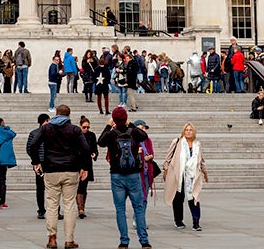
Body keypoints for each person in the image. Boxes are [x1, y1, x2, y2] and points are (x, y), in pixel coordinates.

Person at [35, 103, 90, 248]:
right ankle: (69, 239)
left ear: (56, 114)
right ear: (69, 116)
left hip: (51, 169)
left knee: (52, 205)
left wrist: (36, 162)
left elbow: (34, 144)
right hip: (70, 169)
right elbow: (85, 148)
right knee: (69, 204)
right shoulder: (74, 129)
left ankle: (52, 238)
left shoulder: (46, 128)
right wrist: (84, 167)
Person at [101, 106, 153, 249]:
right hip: (134, 174)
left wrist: (109, 125)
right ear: (125, 119)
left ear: (114, 119)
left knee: (120, 209)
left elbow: (100, 142)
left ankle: (124, 241)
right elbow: (145, 136)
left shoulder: (111, 134)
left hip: (117, 175)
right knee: (139, 208)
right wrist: (129, 124)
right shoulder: (134, 132)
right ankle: (144, 241)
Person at [160, 122, 209, 232]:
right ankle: (178, 220)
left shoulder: (197, 144)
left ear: (194, 132)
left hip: (192, 175)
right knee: (178, 198)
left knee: (194, 198)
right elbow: (168, 157)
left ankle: (196, 223)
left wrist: (205, 173)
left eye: (190, 130)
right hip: (179, 174)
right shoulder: (177, 142)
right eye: (186, 130)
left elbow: (201, 160)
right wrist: (165, 169)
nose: (188, 131)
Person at [27, 113, 50, 220]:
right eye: (47, 121)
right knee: (40, 188)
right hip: (39, 163)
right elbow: (29, 149)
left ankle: (55, 210)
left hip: (50, 162)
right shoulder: (34, 133)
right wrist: (35, 162)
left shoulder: (52, 132)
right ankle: (41, 210)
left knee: (53, 188)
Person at [0, 118, 18, 210]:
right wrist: (6, 128)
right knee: (2, 181)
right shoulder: (8, 133)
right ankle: (2, 202)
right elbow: (13, 134)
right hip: (4, 161)